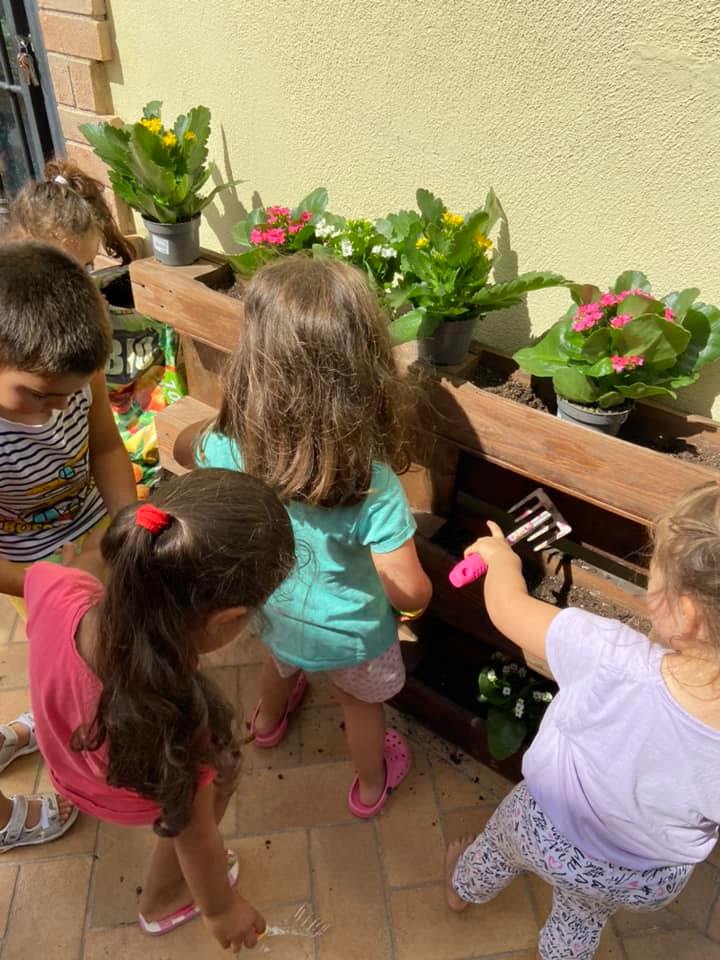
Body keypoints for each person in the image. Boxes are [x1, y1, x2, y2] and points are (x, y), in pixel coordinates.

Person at [198, 254, 432, 818]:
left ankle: (267, 722)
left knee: (279, 663)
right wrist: (419, 601)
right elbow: (410, 590)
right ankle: (371, 787)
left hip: (274, 610)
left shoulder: (226, 444)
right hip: (350, 637)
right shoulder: (370, 482)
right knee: (359, 704)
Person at [445, 483, 720, 960]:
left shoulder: (611, 654)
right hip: (639, 878)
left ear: (690, 614)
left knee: (498, 848)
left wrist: (502, 562)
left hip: (543, 826)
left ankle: (462, 889)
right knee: (583, 912)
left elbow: (508, 610)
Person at [26, 468, 295, 948]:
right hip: (122, 791)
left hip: (68, 760)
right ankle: (162, 901)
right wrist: (221, 910)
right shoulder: (176, 719)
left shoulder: (55, 585)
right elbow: (193, 833)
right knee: (219, 780)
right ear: (227, 619)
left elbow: (69, 567)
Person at [0, 241, 136, 851]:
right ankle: (69, 733)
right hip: (25, 568)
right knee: (62, 657)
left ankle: (103, 719)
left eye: (69, 396)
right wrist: (48, 580)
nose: (56, 411)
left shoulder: (74, 377)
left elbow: (106, 449)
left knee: (113, 642)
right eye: (38, 395)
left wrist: (126, 522)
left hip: (92, 532)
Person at [7, 158, 185, 494]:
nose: (80, 285)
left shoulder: (81, 349)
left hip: (83, 499)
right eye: (62, 270)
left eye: (86, 268)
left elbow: (105, 445)